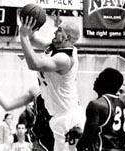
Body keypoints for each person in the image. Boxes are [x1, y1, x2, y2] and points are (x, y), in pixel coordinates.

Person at [19, 16, 85, 151]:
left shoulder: (65, 59)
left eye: (59, 30)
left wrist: (24, 36)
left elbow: (34, 64)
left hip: (69, 117)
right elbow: (32, 39)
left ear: (67, 38)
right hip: (58, 117)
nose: (55, 32)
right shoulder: (55, 47)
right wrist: (30, 27)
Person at [0, 77, 54, 151]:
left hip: (60, 137)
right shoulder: (36, 91)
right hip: (42, 141)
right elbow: (7, 105)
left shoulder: (64, 92)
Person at [76, 67, 125, 151]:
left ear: (107, 83)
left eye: (100, 77)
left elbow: (88, 136)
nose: (96, 79)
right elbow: (109, 134)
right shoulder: (122, 106)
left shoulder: (96, 104)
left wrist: (79, 146)